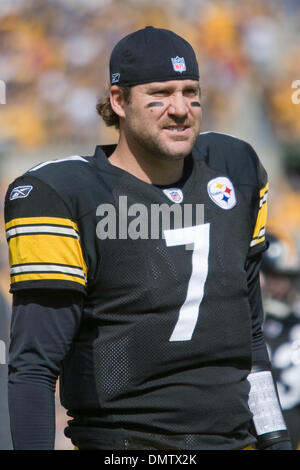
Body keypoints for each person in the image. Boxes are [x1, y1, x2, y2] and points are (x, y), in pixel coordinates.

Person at [4, 26, 291, 450]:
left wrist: (276, 438)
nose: (180, 108)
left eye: (190, 91)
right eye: (159, 93)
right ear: (118, 101)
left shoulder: (236, 170)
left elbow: (250, 338)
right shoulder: (64, 195)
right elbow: (33, 368)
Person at [261, 233, 300, 450]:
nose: (281, 286)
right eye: (274, 276)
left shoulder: (294, 324)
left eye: (285, 277)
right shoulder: (242, 324)